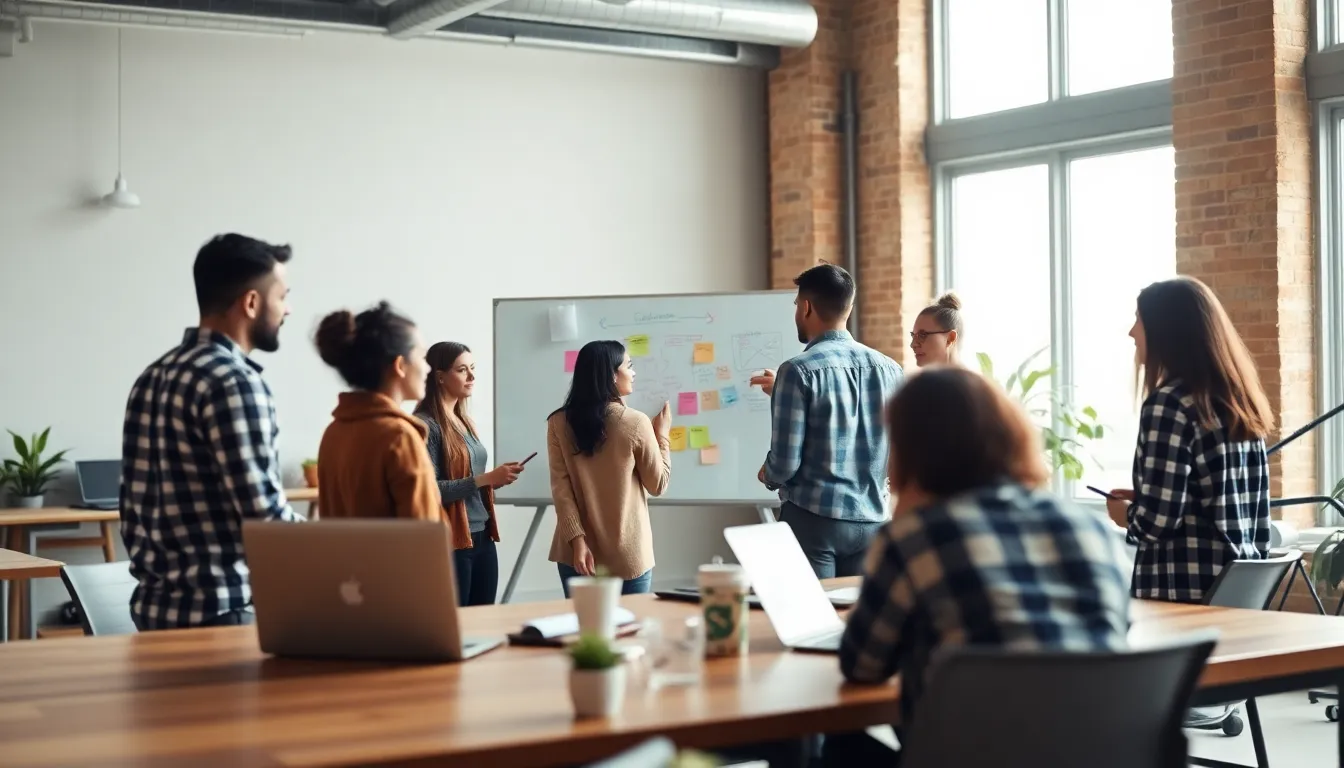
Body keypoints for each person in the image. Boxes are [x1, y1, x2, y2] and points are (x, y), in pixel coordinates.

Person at [835, 366, 1130, 763]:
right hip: (1101, 752)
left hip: (973, 755)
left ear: (912, 450)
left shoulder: (917, 538)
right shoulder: (1092, 529)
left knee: (837, 746)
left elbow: (862, 665)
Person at [121, 233, 303, 631]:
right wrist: (345, 552)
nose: (288, 310)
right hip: (221, 614)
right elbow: (264, 516)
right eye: (282, 296)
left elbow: (131, 511)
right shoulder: (234, 382)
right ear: (252, 303)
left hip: (154, 613)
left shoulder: (152, 377)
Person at [1105, 276, 1273, 604]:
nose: (1132, 332)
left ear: (1168, 330)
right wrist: (1146, 496)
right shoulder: (1239, 403)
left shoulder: (1168, 404)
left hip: (1180, 596)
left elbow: (1158, 523)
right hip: (1237, 594)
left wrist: (1125, 514)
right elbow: (1246, 509)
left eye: (1139, 319)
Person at [750, 263, 903, 579]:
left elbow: (785, 463)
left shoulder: (796, 371)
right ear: (848, 307)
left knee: (811, 622)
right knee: (857, 621)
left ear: (806, 308)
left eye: (796, 305)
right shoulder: (891, 370)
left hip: (813, 522)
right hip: (874, 520)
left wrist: (769, 474)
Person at [547, 340, 671, 597]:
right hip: (628, 555)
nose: (634, 372)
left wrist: (578, 542)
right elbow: (658, 484)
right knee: (628, 634)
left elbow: (562, 490)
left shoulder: (558, 422)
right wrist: (663, 436)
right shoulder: (635, 422)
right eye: (629, 365)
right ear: (612, 375)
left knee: (585, 634)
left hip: (575, 554)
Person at [414, 342, 521, 607]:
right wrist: (485, 479)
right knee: (460, 623)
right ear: (440, 376)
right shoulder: (425, 425)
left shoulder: (463, 420)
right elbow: (431, 491)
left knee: (484, 620)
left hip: (483, 535)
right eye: (462, 370)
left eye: (473, 368)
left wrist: (496, 480)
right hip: (452, 542)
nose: (472, 377)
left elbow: (471, 482)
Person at [313, 302, 440, 523]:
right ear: (400, 365)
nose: (428, 368)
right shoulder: (399, 437)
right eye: (422, 357)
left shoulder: (333, 433)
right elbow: (425, 543)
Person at [910, 291, 964, 367]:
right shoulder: (920, 378)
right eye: (913, 336)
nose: (913, 344)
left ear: (950, 338)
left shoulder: (971, 379)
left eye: (922, 335)